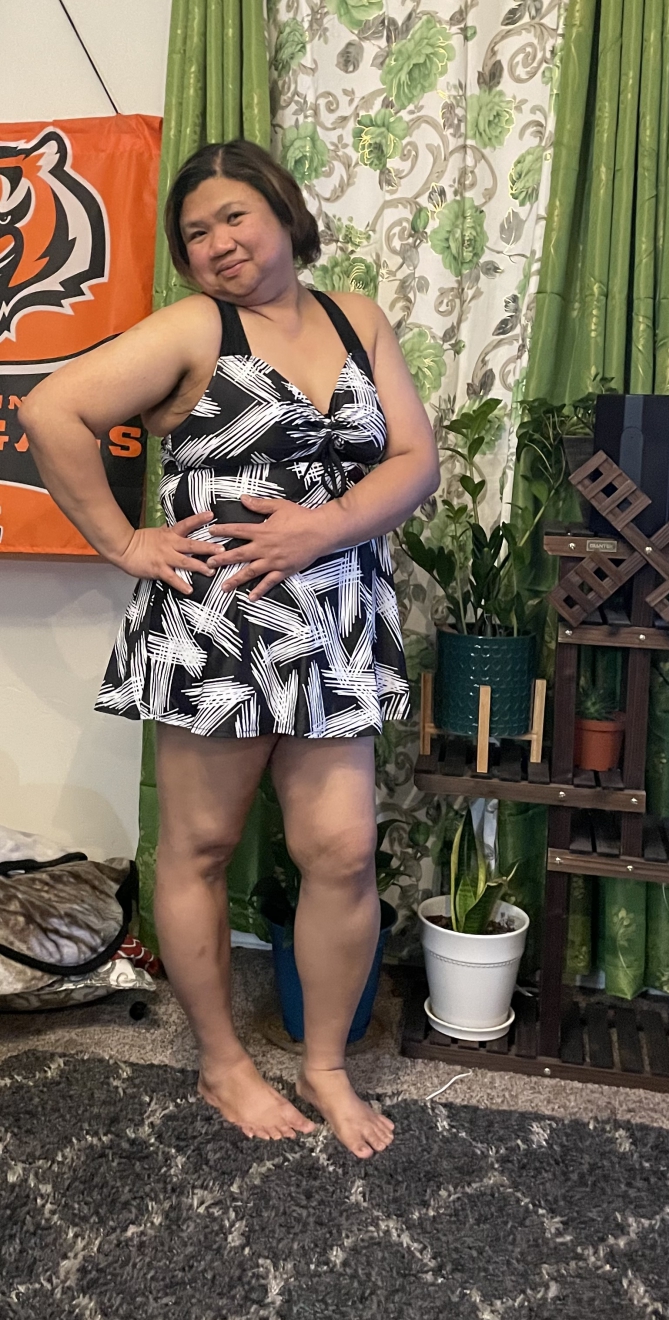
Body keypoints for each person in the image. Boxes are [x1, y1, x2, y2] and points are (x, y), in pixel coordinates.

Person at [20, 140, 439, 1160]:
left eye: (234, 216)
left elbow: (414, 460)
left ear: (284, 213)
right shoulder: (195, 328)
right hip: (218, 625)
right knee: (201, 849)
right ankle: (220, 1061)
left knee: (341, 851)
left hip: (333, 621)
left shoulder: (357, 319)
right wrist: (125, 542)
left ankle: (325, 1064)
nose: (217, 242)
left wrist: (317, 529)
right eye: (195, 232)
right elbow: (50, 409)